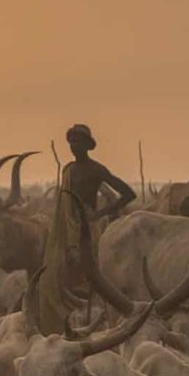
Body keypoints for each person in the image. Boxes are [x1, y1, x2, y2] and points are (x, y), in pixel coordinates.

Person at [37, 124, 137, 333]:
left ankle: (96, 325)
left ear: (87, 145)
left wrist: (99, 214)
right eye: (72, 142)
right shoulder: (68, 170)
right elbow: (63, 204)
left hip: (87, 229)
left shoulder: (96, 169)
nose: (74, 146)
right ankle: (58, 328)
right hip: (66, 227)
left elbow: (128, 193)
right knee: (54, 278)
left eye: (79, 142)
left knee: (90, 275)